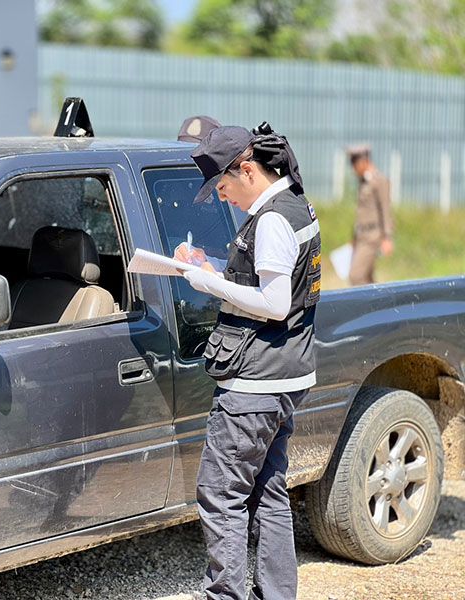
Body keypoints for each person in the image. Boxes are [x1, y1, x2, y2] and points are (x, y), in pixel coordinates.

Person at [174, 125, 321, 600]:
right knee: (268, 490)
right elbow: (272, 281)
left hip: (254, 385)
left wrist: (206, 282)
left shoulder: (272, 220)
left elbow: (275, 303)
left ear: (248, 170)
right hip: (286, 373)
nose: (223, 197)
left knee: (221, 493)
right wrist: (214, 265)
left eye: (223, 185)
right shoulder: (295, 205)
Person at [346, 144, 393, 285]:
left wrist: (387, 237)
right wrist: (354, 238)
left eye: (354, 164)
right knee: (368, 279)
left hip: (372, 236)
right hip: (362, 235)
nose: (353, 169)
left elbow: (385, 209)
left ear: (364, 161)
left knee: (356, 276)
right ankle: (379, 300)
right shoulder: (363, 182)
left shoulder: (379, 181)